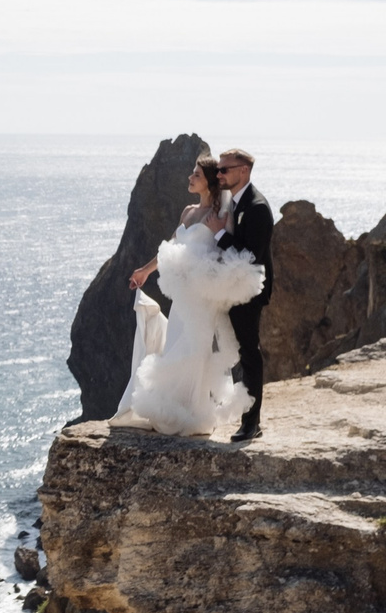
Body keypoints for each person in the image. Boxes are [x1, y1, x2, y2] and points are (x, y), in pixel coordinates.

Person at [114, 155, 265, 438]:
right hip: (182, 295)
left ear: (208, 182)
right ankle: (173, 408)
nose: (190, 178)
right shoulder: (187, 211)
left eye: (196, 174)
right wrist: (145, 270)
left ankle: (194, 413)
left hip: (202, 297)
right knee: (175, 345)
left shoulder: (222, 215)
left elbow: (228, 254)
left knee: (195, 351)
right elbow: (172, 245)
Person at [213, 149, 275, 442]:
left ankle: (251, 423)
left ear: (244, 171)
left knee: (250, 353)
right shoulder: (233, 202)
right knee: (240, 352)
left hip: (249, 291)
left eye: (224, 169)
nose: (219, 175)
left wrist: (219, 235)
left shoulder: (257, 207)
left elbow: (250, 255)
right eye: (218, 169)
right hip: (231, 288)